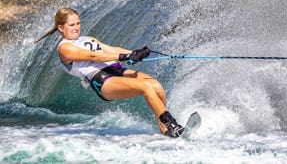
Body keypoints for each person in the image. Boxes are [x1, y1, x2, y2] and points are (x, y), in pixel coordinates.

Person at [35, 7, 184, 137]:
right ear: (61, 28)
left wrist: (134, 53)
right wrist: (123, 57)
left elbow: (112, 50)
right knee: (146, 87)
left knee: (155, 85)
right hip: (102, 80)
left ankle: (164, 129)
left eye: (78, 23)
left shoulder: (88, 39)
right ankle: (171, 123)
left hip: (116, 69)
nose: (76, 28)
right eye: (71, 25)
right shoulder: (64, 48)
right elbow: (93, 56)